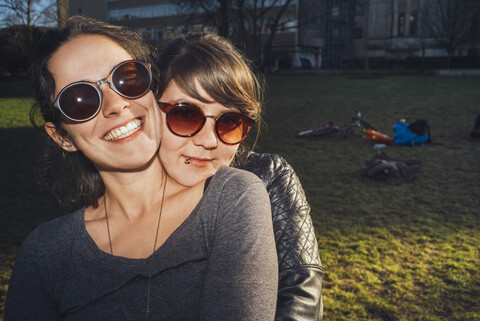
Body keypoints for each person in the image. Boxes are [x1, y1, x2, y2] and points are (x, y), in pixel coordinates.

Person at [4, 16, 278, 321]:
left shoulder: (232, 199)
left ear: (152, 88)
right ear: (62, 136)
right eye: (79, 100)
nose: (115, 105)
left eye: (127, 78)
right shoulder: (45, 255)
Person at [156, 33, 323, 320]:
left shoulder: (269, 176)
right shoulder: (122, 192)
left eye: (230, 122)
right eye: (185, 115)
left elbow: (301, 296)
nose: (209, 141)